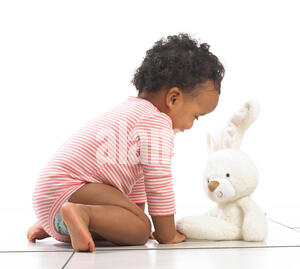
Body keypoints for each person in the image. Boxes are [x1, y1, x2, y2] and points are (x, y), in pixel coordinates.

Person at [27, 33, 224, 252]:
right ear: (173, 99)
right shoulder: (156, 122)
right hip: (70, 189)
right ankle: (79, 214)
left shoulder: (131, 113)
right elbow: (158, 183)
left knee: (134, 225)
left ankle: (57, 223)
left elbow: (136, 182)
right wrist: (166, 234)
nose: (191, 126)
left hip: (50, 196)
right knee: (141, 231)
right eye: (195, 116)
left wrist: (132, 218)